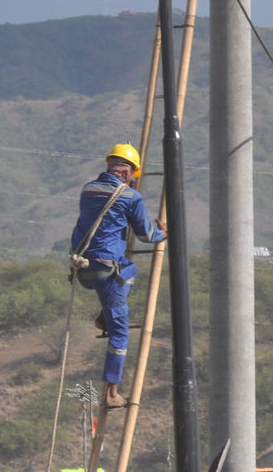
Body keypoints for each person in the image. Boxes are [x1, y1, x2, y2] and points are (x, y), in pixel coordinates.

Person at [71, 143, 167, 409]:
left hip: (83, 268)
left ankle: (106, 315)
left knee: (131, 269)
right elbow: (146, 235)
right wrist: (164, 234)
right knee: (120, 333)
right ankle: (112, 393)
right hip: (105, 270)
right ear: (128, 172)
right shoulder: (130, 197)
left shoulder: (87, 189)